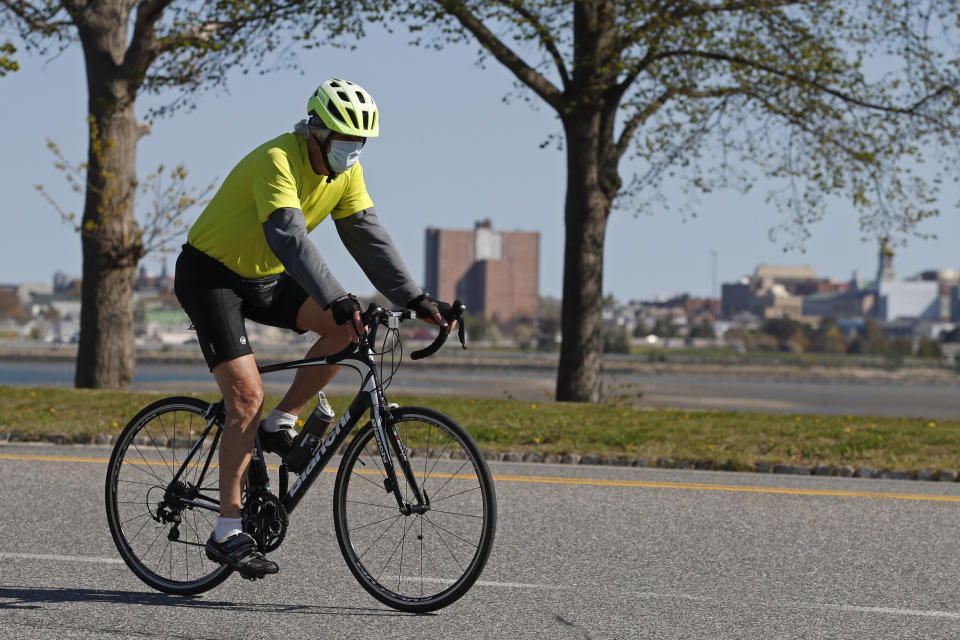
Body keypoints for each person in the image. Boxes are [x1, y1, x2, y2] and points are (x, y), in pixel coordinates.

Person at [174, 78, 454, 580]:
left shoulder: (348, 174)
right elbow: (288, 236)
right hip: (211, 276)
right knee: (244, 397)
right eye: (344, 142)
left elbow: (368, 236)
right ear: (317, 133)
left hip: (263, 278)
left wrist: (415, 297)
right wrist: (336, 295)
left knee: (350, 331)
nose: (352, 152)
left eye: (359, 145)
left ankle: (283, 422)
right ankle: (226, 530)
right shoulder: (278, 160)